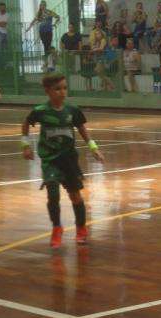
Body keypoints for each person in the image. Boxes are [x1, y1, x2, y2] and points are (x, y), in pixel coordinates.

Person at [21, 73, 105, 248]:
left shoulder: (72, 110)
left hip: (68, 159)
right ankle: (57, 228)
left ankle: (81, 228)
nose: (62, 92)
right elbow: (26, 123)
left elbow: (82, 128)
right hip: (50, 159)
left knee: (75, 195)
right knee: (53, 193)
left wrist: (93, 147)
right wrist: (25, 145)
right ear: (48, 91)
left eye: (65, 88)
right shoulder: (40, 111)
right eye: (57, 89)